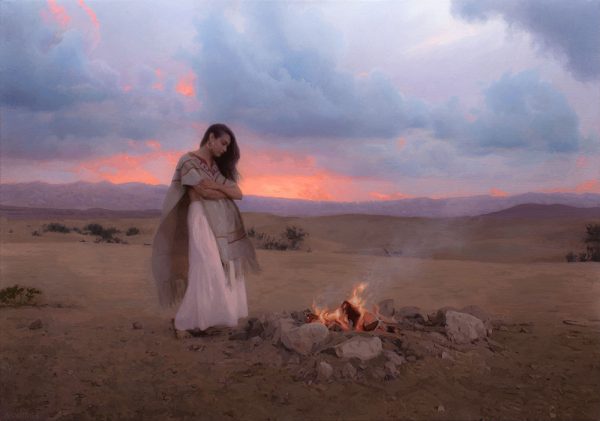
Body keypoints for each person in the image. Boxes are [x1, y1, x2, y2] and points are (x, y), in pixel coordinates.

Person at [151, 123, 259, 336]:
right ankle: (191, 319)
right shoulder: (188, 161)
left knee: (223, 267)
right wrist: (221, 190)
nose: (225, 149)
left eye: (228, 146)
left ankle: (213, 318)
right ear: (210, 138)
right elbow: (202, 192)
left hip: (221, 221)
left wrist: (217, 186)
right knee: (206, 266)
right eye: (223, 143)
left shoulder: (214, 168)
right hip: (200, 216)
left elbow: (238, 193)